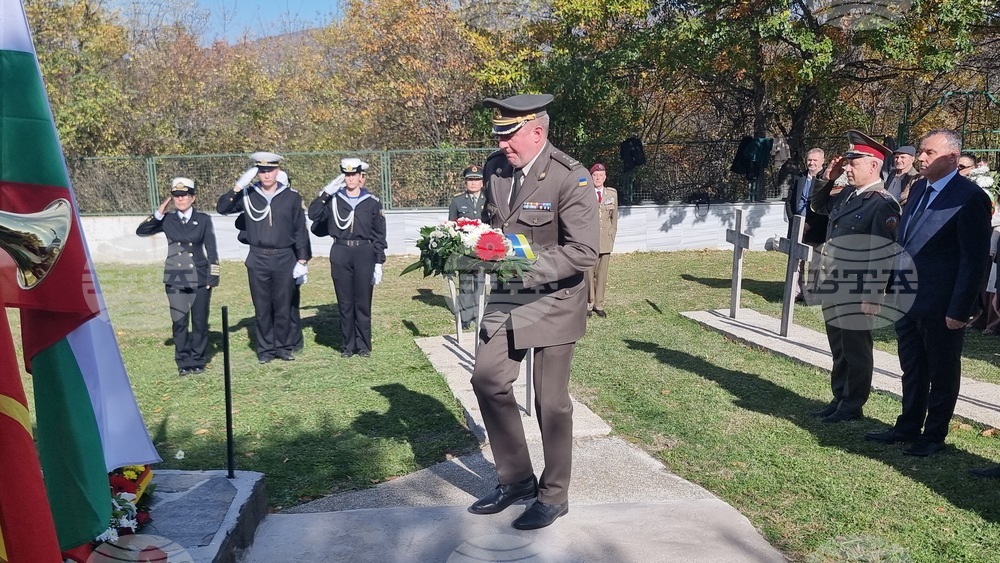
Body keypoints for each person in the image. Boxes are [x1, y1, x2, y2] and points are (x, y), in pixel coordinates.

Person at [468, 93, 598, 530]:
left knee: (551, 403)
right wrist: (467, 242)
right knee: (487, 379)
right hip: (508, 296)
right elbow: (494, 224)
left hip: (555, 300)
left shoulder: (570, 177)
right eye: (499, 136)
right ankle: (517, 479)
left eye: (510, 135)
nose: (502, 144)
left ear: (537, 132)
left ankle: (554, 494)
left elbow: (584, 252)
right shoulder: (494, 168)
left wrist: (520, 268)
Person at [865, 129, 991, 456]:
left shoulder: (970, 197)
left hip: (942, 304)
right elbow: (903, 244)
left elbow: (973, 260)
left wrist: (960, 309)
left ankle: (933, 435)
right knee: (913, 367)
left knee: (942, 371)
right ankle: (907, 426)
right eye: (921, 151)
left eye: (928, 153)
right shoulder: (919, 188)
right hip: (907, 299)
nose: (920, 158)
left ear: (951, 157)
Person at [809, 132, 901, 423]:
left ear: (873, 165)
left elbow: (883, 253)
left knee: (856, 350)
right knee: (839, 347)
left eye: (853, 163)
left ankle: (852, 404)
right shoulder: (849, 194)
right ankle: (840, 397)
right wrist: (828, 176)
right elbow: (817, 206)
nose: (847, 168)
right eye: (846, 164)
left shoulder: (882, 203)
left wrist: (873, 295)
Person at [217, 152, 311, 364]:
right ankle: (265, 350)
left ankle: (284, 347)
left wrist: (302, 260)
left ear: (278, 171)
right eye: (262, 171)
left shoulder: (291, 197)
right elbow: (222, 208)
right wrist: (238, 186)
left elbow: (299, 231)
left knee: (283, 305)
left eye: (270, 170)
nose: (266, 175)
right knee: (262, 307)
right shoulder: (248, 195)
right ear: (257, 173)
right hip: (258, 257)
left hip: (284, 257)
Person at [137, 177, 220, 376]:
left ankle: (198, 360)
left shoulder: (204, 219)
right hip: (176, 278)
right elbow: (142, 231)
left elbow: (212, 249)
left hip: (199, 277)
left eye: (184, 196)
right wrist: (159, 212)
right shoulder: (168, 220)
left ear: (193, 198)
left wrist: (212, 277)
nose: (180, 200)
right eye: (176, 196)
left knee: (199, 322)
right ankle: (184, 362)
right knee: (180, 322)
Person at [308, 157, 387, 358]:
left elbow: (379, 234)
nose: (350, 178)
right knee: (344, 301)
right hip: (341, 251)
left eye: (354, 175)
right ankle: (347, 346)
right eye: (347, 175)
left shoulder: (372, 202)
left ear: (361, 177)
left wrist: (378, 261)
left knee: (362, 301)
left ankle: (363, 345)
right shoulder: (334, 199)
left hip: (364, 252)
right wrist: (326, 192)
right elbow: (313, 214)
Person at [784, 148, 829, 302]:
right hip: (797, 226)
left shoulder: (827, 180)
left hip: (816, 229)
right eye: (809, 160)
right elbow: (789, 202)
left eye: (815, 160)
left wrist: (810, 224)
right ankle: (795, 292)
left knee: (815, 262)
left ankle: (812, 294)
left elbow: (826, 207)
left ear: (822, 161)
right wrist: (794, 221)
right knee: (796, 262)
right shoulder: (799, 178)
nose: (811, 163)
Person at [448, 164, 486, 329]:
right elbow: (451, 226)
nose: (473, 183)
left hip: (483, 249)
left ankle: (479, 315)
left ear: (482, 183)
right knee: (465, 283)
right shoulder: (457, 201)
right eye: (470, 179)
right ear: (465, 182)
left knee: (480, 282)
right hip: (464, 250)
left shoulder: (488, 200)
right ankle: (465, 318)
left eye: (477, 180)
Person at [587, 162, 617, 317]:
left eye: (601, 175)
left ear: (605, 177)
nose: (598, 178)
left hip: (605, 239)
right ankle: (588, 303)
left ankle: (599, 304)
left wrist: (612, 236)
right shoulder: (584, 193)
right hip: (589, 240)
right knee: (588, 273)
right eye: (595, 175)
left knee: (602, 274)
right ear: (591, 176)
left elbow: (614, 219)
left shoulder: (612, 194)